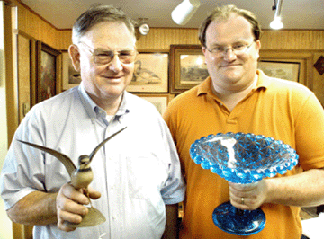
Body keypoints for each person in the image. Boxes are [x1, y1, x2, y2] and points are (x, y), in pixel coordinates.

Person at [0, 4, 184, 239]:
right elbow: (14, 202)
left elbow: (170, 196)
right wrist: (53, 204)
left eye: (125, 54)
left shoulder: (151, 118)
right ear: (76, 57)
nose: (117, 66)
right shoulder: (42, 119)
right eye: (102, 54)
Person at [163, 4, 324, 239]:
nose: (229, 56)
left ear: (256, 47)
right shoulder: (178, 109)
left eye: (239, 45)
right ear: (205, 53)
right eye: (218, 48)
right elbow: (165, 186)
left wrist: (268, 190)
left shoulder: (298, 100)